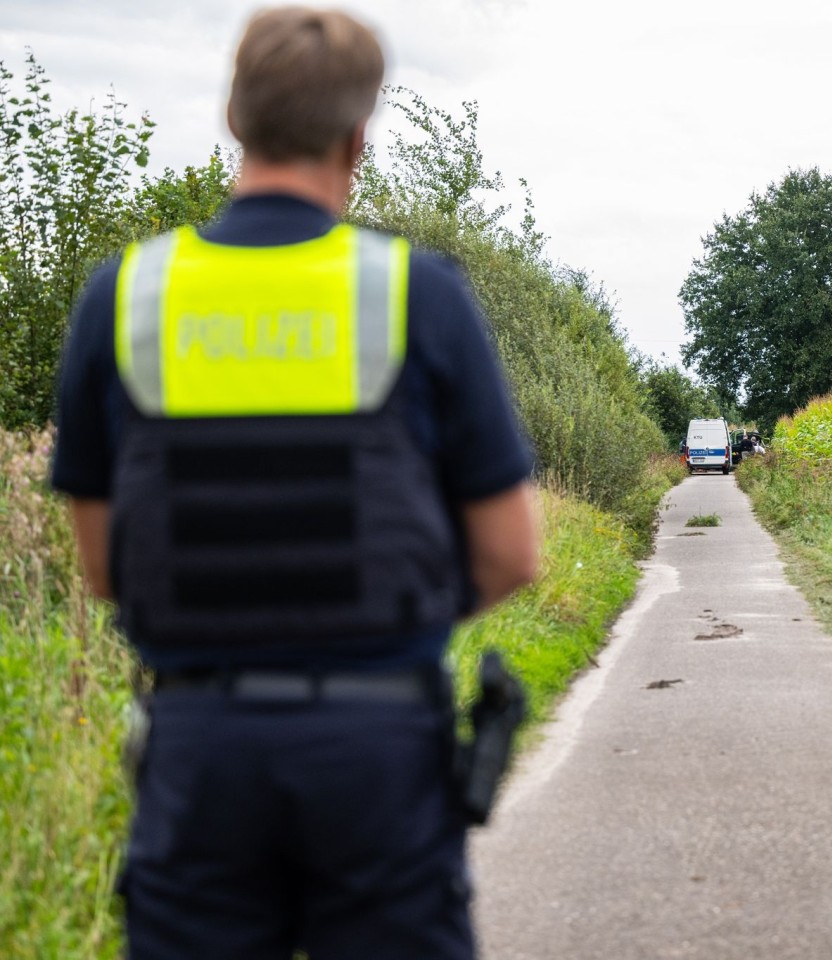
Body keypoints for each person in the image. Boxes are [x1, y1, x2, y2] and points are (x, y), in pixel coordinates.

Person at [49, 8, 538, 959]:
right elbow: (513, 554)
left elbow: (105, 569)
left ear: (235, 115)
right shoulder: (417, 293)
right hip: (378, 749)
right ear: (360, 134)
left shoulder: (125, 295)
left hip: (199, 751)